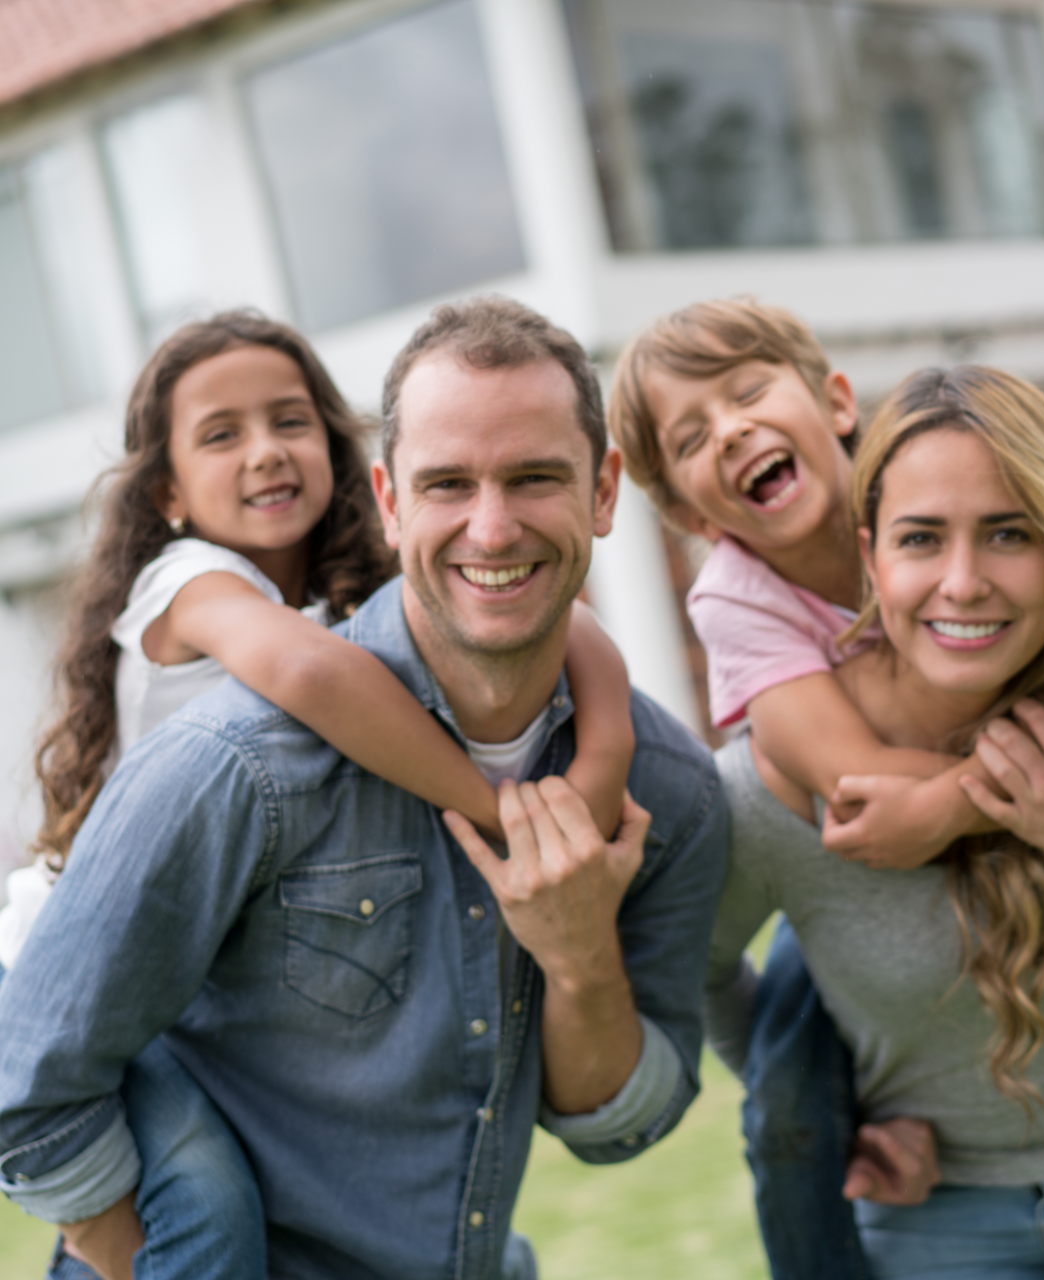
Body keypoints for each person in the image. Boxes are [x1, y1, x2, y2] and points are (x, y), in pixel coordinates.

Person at [0, 296, 728, 1279]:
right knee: (203, 1199)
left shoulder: (666, 790)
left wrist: (579, 950)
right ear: (390, 498)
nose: (492, 521)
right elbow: (29, 1081)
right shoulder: (235, 738)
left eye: (534, 476)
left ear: (604, 490)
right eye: (447, 483)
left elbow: (614, 1126)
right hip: (64, 963)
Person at [607, 297, 1044, 1280]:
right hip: (934, 1202)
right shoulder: (754, 702)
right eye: (919, 540)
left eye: (1006, 533)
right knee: (792, 1109)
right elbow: (837, 802)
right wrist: (847, 1119)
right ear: (875, 552)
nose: (959, 581)